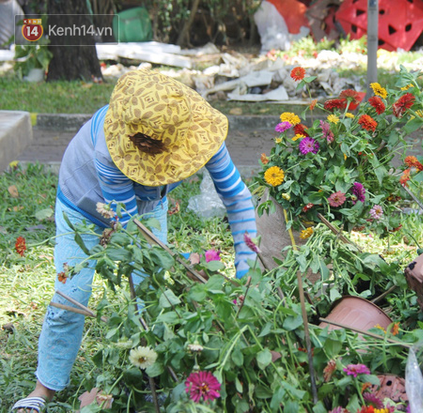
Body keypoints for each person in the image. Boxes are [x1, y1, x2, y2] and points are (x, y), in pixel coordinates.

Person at [11, 69, 258, 412]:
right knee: (71, 294)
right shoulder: (109, 153)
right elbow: (132, 237)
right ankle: (44, 388)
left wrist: (248, 274)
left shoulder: (200, 132)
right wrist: (182, 259)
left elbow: (237, 198)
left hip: (147, 205)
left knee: (149, 295)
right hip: (81, 206)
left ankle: (151, 376)